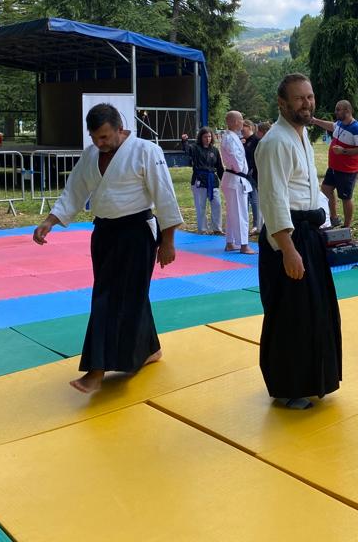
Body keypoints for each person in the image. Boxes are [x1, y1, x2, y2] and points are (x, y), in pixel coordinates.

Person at [33, 103, 183, 394]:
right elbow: (74, 189)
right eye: (94, 137)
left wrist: (168, 241)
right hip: (104, 233)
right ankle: (150, 349)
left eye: (104, 136)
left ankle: (96, 369)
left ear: (120, 128)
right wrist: (50, 221)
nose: (99, 143)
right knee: (130, 295)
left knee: (109, 299)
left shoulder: (145, 151)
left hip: (137, 233)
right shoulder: (91, 155)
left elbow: (165, 195)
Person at [255, 73, 342, 410]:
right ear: (282, 103)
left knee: (314, 312)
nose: (307, 103)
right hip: (287, 238)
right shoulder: (275, 141)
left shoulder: (301, 135)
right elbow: (273, 199)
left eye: (310, 96)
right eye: (299, 98)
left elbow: (308, 190)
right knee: (291, 315)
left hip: (308, 234)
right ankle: (288, 386)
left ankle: (311, 379)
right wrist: (288, 250)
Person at [312, 100, 358, 228]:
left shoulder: (356, 128)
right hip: (333, 168)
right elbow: (332, 126)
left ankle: (347, 226)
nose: (335, 112)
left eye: (338, 110)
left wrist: (343, 151)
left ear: (347, 111)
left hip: (347, 170)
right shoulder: (341, 124)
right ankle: (334, 217)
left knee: (345, 197)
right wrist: (315, 121)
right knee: (326, 189)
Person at [219, 111, 256, 254]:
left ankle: (230, 242)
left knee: (232, 213)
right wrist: (241, 170)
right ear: (234, 122)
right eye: (241, 120)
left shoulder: (232, 137)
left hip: (233, 178)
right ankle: (243, 244)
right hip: (236, 177)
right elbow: (236, 159)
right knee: (240, 213)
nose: (243, 122)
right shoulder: (230, 138)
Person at [180, 127, 223, 234]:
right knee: (201, 206)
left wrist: (224, 180)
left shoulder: (215, 150)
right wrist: (184, 141)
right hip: (199, 180)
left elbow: (220, 167)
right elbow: (187, 150)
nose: (207, 139)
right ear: (201, 137)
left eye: (209, 136)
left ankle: (217, 228)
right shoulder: (195, 148)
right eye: (205, 137)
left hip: (212, 180)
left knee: (217, 204)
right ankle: (203, 229)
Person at [242, 119, 262, 234]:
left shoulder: (256, 140)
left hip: (253, 174)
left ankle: (256, 224)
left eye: (243, 127)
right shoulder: (245, 141)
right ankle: (249, 223)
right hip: (245, 173)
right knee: (247, 199)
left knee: (254, 199)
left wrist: (252, 169)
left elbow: (257, 157)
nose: (241, 130)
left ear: (249, 127)